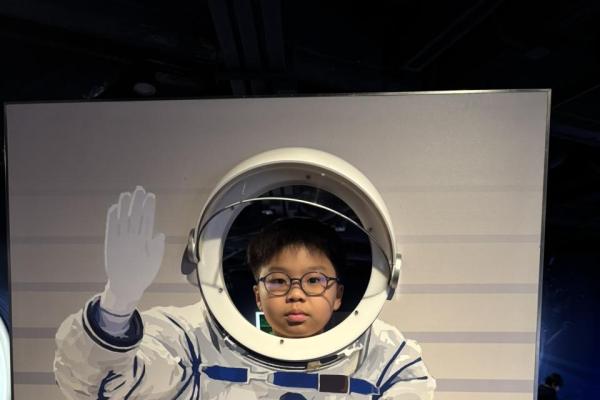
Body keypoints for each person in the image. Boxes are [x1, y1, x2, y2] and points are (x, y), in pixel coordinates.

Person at [54, 186, 435, 399]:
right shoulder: (196, 342)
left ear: (338, 295)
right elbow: (103, 386)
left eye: (314, 280)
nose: (296, 295)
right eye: (279, 281)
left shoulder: (383, 359)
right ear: (257, 296)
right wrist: (118, 303)